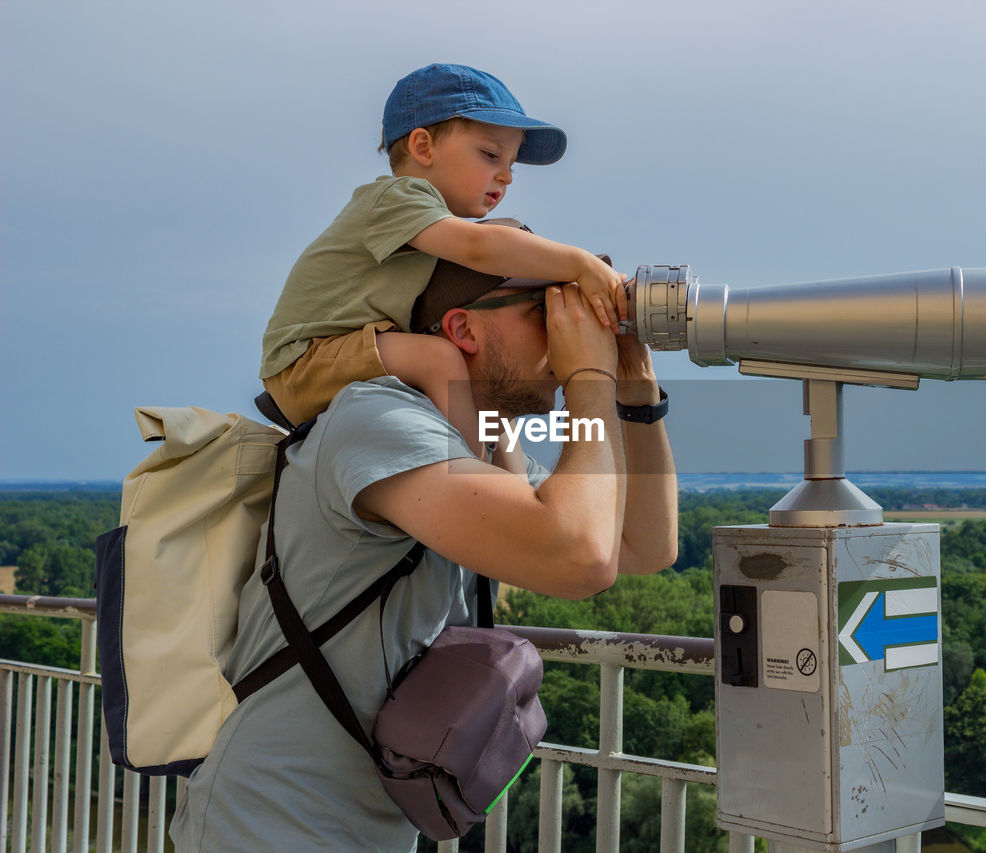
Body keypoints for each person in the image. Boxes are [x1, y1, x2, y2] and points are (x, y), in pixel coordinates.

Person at [171, 222, 678, 852]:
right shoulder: (376, 419)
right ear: (462, 329)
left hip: (364, 826)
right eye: (547, 311)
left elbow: (642, 545)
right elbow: (581, 558)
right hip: (270, 819)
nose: (568, 334)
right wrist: (589, 383)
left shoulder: (484, 443)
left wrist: (634, 387)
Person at [259, 62, 626, 452]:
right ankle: (475, 478)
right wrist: (581, 265)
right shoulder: (396, 198)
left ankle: (514, 489)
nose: (507, 177)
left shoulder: (423, 226)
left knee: (479, 391)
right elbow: (480, 249)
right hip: (303, 361)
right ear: (423, 147)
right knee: (438, 357)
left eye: (511, 165)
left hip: (341, 353)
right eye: (489, 155)